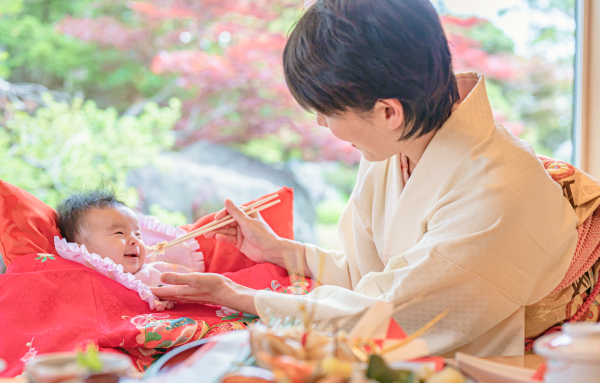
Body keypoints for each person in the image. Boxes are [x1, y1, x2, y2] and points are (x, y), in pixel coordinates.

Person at [150, 0, 579, 356]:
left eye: (328, 112)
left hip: (537, 375)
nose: (320, 123)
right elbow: (371, 275)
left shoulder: (495, 194)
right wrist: (283, 251)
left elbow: (389, 315)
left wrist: (237, 295)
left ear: (388, 111)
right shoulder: (401, 139)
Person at [57, 189, 194, 287]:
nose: (135, 241)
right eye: (119, 233)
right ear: (82, 250)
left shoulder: (152, 274)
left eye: (137, 234)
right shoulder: (76, 281)